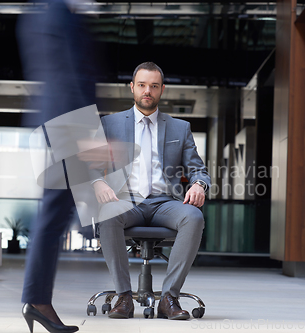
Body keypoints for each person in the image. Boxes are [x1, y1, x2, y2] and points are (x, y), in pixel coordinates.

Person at [92, 62, 210, 320]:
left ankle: (169, 297)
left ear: (162, 90)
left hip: (164, 202)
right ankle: (124, 297)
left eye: (154, 86)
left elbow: (198, 169)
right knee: (107, 212)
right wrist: (97, 182)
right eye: (143, 85)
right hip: (125, 201)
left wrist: (199, 184)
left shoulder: (180, 128)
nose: (148, 91)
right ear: (132, 87)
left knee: (194, 217)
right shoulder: (109, 124)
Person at [17, 0, 97, 332]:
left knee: (56, 211)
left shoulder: (44, 12)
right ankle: (36, 301)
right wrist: (85, 133)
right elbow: (66, 74)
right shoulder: (57, 12)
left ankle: (37, 301)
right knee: (56, 214)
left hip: (65, 124)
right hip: (68, 125)